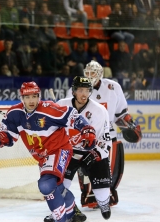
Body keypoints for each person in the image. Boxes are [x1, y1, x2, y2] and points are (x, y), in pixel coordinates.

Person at [0, 81, 97, 222]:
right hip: (42, 156)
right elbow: (9, 137)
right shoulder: (14, 113)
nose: (31, 100)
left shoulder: (49, 109)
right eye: (27, 97)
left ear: (39, 96)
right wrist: (0, 139)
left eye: (34, 96)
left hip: (59, 149)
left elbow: (73, 116)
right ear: (22, 98)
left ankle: (60, 219)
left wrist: (87, 130)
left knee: (46, 185)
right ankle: (71, 213)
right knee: (57, 187)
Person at [67, 60, 142, 208]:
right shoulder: (76, 88)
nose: (89, 76)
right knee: (85, 169)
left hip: (107, 134)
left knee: (107, 168)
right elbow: (69, 113)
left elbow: (121, 113)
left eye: (92, 73)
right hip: (84, 137)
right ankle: (89, 196)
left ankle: (106, 195)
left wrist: (129, 125)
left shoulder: (113, 87)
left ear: (100, 74)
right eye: (87, 73)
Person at [47, 76, 112, 221]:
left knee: (102, 192)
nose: (84, 94)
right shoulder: (62, 105)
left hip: (93, 151)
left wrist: (96, 153)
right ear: (74, 91)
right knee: (59, 184)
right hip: (69, 151)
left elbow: (105, 138)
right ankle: (59, 211)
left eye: (87, 90)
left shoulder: (99, 110)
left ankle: (104, 203)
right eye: (81, 90)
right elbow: (50, 130)